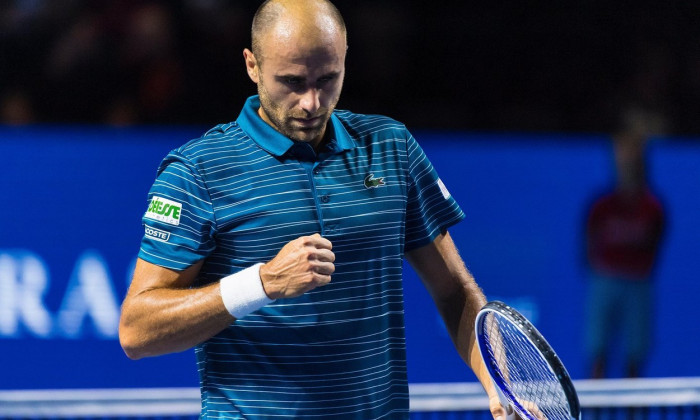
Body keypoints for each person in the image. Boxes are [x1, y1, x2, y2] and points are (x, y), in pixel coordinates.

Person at [119, 0, 506, 418]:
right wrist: (263, 282)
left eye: (328, 79)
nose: (311, 102)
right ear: (252, 65)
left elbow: (454, 291)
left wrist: (501, 384)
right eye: (291, 81)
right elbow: (138, 330)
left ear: (344, 60)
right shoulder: (197, 171)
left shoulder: (392, 147)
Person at [584, 110, 665, 378]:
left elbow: (657, 241)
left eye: (632, 154)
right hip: (605, 280)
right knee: (598, 351)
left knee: (635, 354)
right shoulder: (601, 206)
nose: (626, 161)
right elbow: (587, 243)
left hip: (638, 283)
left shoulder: (653, 208)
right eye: (621, 154)